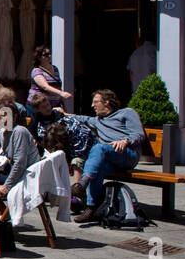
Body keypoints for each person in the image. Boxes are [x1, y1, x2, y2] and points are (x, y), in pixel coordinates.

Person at [73, 89, 144, 223]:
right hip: (109, 158)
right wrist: (62, 113)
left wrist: (126, 141)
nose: (92, 106)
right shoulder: (98, 120)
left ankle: (83, 182)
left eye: (95, 102)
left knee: (99, 148)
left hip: (127, 154)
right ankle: (91, 208)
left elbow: (139, 134)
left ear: (106, 102)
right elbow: (80, 118)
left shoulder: (127, 113)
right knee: (97, 167)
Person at [26, 92, 96, 181]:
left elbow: (66, 140)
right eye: (43, 107)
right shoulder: (36, 120)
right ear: (37, 109)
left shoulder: (60, 118)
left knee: (76, 161)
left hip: (71, 149)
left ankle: (76, 188)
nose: (47, 108)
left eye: (48, 105)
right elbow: (33, 136)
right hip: (46, 151)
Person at [0, 99, 39, 198]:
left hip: (27, 178)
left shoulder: (19, 131)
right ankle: (0, 210)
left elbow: (20, 163)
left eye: (3, 115)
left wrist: (6, 186)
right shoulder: (4, 132)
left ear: (14, 117)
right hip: (16, 174)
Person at [28, 45, 71, 109]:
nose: (49, 56)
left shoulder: (55, 68)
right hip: (40, 106)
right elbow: (45, 86)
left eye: (50, 54)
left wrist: (62, 103)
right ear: (39, 57)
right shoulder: (36, 71)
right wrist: (61, 93)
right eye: (46, 54)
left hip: (54, 105)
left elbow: (58, 86)